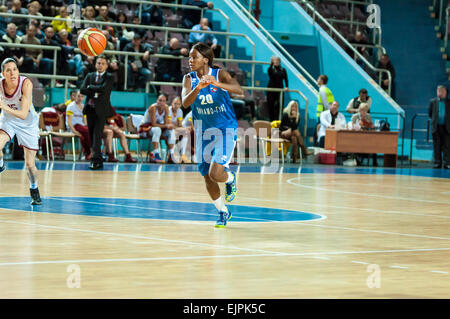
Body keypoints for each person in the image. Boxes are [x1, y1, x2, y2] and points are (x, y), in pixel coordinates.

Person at [181, 42, 241, 228]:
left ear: (206, 59)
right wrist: (197, 88)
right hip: (203, 132)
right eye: (189, 57)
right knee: (207, 176)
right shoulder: (189, 79)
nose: (190, 60)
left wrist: (218, 84)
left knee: (216, 173)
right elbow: (185, 103)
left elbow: (239, 90)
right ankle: (223, 211)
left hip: (225, 129)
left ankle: (230, 178)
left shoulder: (219, 73)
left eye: (194, 57)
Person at [0, 58, 42, 205]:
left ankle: (34, 188)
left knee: (30, 164)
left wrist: (3, 106)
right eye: (8, 70)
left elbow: (23, 114)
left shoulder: (26, 83)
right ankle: (0, 164)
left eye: (15, 69)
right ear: (2, 74)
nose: (12, 73)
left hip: (28, 123)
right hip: (8, 120)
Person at [80, 54, 114, 170]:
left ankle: (94, 160)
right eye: (99, 63)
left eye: (103, 63)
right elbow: (82, 89)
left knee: (97, 136)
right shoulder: (90, 75)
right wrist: (95, 89)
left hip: (102, 110)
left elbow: (104, 89)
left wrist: (91, 87)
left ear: (106, 65)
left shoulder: (110, 77)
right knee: (91, 135)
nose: (100, 65)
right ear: (95, 64)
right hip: (90, 109)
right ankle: (99, 160)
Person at [139, 94, 176, 163]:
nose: (161, 102)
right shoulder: (153, 107)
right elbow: (153, 124)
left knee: (171, 131)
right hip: (145, 129)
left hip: (156, 129)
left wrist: (169, 126)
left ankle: (171, 154)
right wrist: (166, 126)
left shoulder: (166, 108)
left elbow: (165, 123)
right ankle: (155, 154)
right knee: (157, 129)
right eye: (160, 100)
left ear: (166, 102)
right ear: (157, 101)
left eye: (163, 101)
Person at [65, 91, 91, 161]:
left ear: (84, 98)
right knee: (87, 131)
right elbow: (69, 121)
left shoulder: (83, 107)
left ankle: (87, 153)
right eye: (78, 96)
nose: (80, 98)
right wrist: (74, 131)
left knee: (86, 135)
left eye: (82, 96)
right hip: (74, 126)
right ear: (75, 96)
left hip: (82, 127)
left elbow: (85, 121)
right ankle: (90, 152)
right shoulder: (71, 106)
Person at [429, 85, 450, 169]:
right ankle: (437, 163)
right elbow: (430, 113)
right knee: (436, 146)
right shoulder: (432, 102)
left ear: (446, 92)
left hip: (447, 127)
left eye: (441, 91)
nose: (440, 93)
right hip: (436, 127)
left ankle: (447, 163)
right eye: (438, 91)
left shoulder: (449, 102)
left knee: (447, 146)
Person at [169, 96, 191, 164]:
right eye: (175, 103)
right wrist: (180, 128)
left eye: (178, 104)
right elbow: (170, 125)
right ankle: (171, 154)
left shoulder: (180, 111)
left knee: (186, 132)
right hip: (167, 130)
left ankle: (183, 154)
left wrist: (184, 129)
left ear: (180, 105)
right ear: (172, 103)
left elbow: (179, 125)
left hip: (175, 129)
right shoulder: (168, 110)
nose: (176, 105)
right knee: (172, 132)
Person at [267, 56, 288, 122]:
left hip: (280, 89)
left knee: (280, 105)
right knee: (271, 105)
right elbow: (270, 74)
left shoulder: (283, 69)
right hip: (271, 89)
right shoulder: (270, 69)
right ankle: (271, 120)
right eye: (274, 61)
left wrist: (287, 86)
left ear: (279, 62)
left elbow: (286, 79)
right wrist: (271, 63)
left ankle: (278, 120)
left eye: (277, 61)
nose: (276, 62)